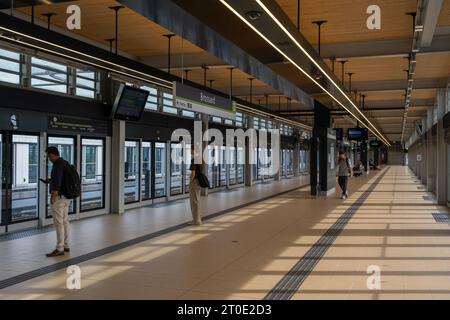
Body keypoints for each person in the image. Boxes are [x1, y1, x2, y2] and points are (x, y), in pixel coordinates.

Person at [43, 147, 71, 257]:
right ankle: (66, 245)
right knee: (65, 221)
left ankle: (59, 248)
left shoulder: (57, 164)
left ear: (53, 154)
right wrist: (50, 180)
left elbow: (58, 181)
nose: (49, 158)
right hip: (66, 197)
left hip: (59, 198)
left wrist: (53, 194)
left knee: (58, 222)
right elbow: (61, 179)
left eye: (49, 156)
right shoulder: (65, 163)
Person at [189, 152, 203, 226]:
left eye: (191, 150)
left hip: (194, 181)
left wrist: (190, 181)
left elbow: (193, 173)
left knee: (194, 201)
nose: (190, 152)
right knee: (196, 200)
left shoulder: (194, 160)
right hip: (198, 182)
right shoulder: (200, 159)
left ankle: (196, 221)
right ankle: (197, 219)